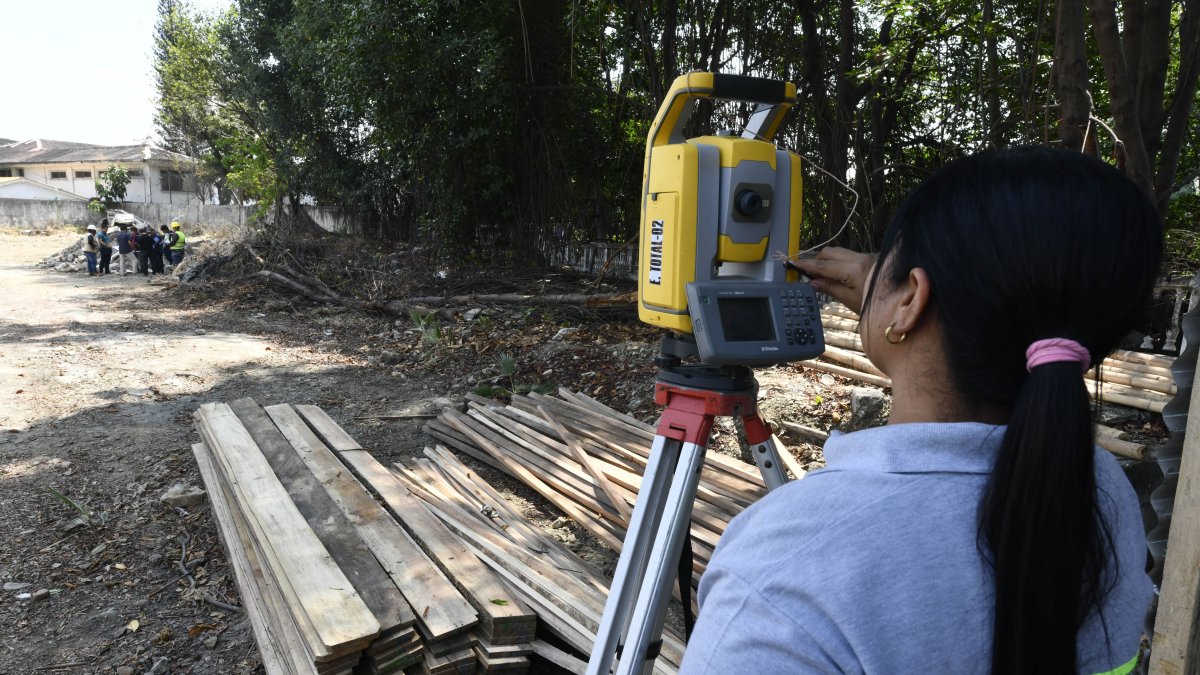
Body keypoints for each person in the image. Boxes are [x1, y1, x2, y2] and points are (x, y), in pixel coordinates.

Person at [680, 148, 1162, 675]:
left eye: (884, 257)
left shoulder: (783, 573)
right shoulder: (1099, 489)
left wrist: (900, 309)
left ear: (912, 298)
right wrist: (898, 299)